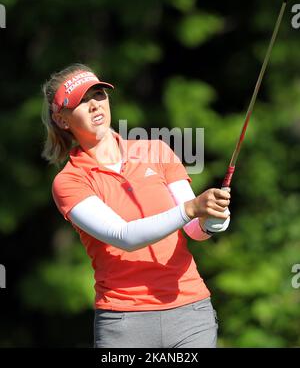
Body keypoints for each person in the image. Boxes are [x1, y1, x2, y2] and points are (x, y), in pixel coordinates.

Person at [41, 63, 231, 348]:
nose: (95, 105)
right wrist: (192, 208)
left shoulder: (156, 150)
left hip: (190, 311)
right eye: (82, 100)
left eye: (99, 95)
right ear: (62, 119)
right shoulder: (69, 181)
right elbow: (124, 237)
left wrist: (213, 217)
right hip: (124, 323)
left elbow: (194, 229)